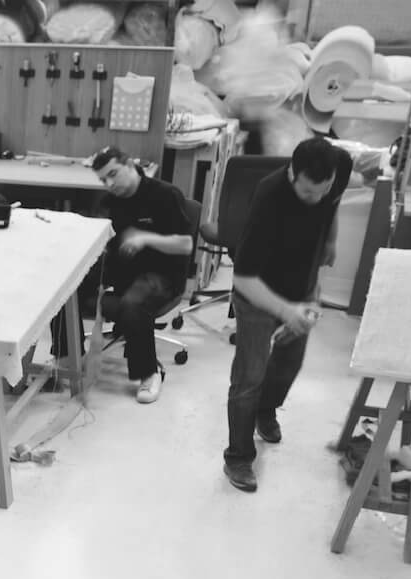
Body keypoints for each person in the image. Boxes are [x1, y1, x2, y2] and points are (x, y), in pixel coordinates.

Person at [221, 135, 352, 492]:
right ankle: (238, 457)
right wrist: (286, 310)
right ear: (293, 174)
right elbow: (244, 279)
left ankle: (267, 410)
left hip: (302, 286)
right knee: (250, 377)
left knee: (289, 363)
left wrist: (330, 241)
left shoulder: (338, 169)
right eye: (308, 192)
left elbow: (334, 203)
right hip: (259, 292)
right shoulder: (269, 197)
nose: (316, 199)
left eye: (321, 190)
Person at [47, 150, 192, 404]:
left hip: (163, 274)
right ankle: (67, 358)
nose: (110, 184)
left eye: (113, 174)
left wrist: (146, 238)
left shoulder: (165, 195)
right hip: (121, 269)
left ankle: (148, 373)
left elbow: (185, 245)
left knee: (133, 303)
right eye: (104, 180)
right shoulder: (108, 202)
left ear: (131, 165)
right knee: (63, 286)